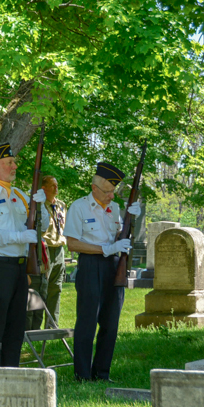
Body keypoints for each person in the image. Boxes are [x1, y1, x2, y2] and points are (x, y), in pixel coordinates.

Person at [0, 143, 48, 367]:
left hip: (20, 267)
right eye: (9, 163)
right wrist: (19, 237)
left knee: (16, 323)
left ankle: (12, 370)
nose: (15, 166)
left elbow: (43, 227)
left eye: (14, 162)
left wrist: (42, 206)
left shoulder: (20, 195)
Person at [65, 162, 141, 382]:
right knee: (87, 321)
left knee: (110, 322)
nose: (111, 196)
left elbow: (119, 237)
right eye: (107, 191)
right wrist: (105, 249)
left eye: (113, 191)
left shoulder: (114, 208)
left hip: (113, 266)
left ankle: (102, 373)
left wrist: (132, 220)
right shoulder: (79, 207)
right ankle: (82, 374)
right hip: (90, 265)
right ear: (94, 188)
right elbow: (72, 243)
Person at [27, 176, 67, 330]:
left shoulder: (61, 205)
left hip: (59, 249)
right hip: (44, 249)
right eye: (52, 185)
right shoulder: (39, 205)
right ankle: (33, 327)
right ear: (43, 188)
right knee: (41, 288)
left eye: (57, 185)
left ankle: (52, 325)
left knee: (56, 287)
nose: (56, 188)